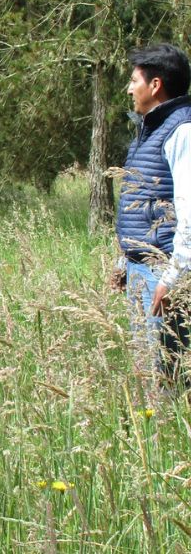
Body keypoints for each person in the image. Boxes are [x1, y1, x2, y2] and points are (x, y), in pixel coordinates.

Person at [111, 43, 191, 390]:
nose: (129, 89)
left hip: (163, 272)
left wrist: (172, 278)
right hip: (141, 268)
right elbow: (141, 201)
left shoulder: (182, 131)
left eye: (133, 81)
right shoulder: (148, 131)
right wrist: (123, 259)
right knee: (148, 370)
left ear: (155, 85)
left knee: (167, 377)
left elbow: (188, 212)